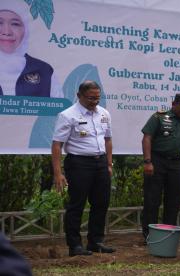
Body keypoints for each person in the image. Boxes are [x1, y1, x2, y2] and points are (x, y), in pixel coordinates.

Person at [51, 80, 114, 257]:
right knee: (76, 205)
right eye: (90, 98)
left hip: (100, 163)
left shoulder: (104, 113)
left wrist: (109, 164)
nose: (94, 102)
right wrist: (58, 173)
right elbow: (57, 145)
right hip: (79, 164)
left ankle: (96, 242)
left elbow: (108, 139)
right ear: (79, 96)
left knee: (101, 203)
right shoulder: (68, 115)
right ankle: (75, 245)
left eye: (97, 98)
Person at [141, 93, 180, 239]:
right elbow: (147, 138)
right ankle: (149, 234)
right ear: (174, 104)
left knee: (174, 199)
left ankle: (168, 233)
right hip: (156, 161)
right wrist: (147, 162)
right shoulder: (159, 117)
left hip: (177, 163)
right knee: (152, 199)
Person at [0, 1, 63, 97]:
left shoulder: (44, 70)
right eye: (0, 23)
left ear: (25, 29)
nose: (6, 32)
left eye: (15, 24)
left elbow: (58, 108)